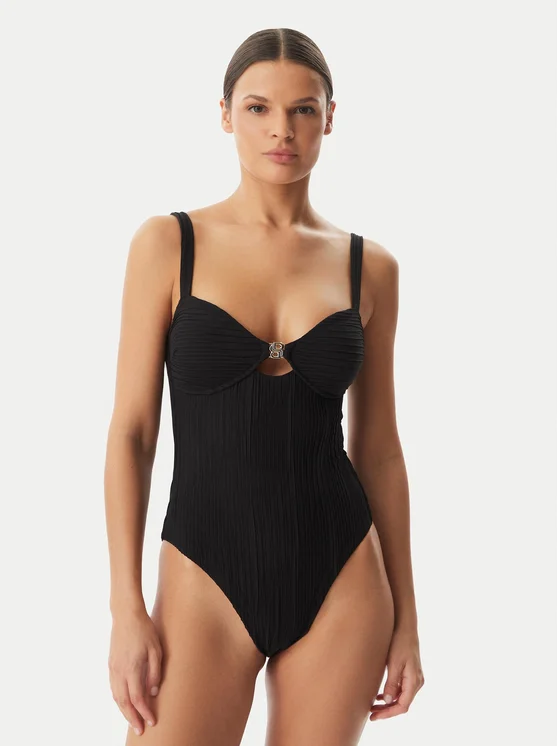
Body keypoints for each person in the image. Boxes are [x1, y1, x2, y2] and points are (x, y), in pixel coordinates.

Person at [104, 26, 424, 746]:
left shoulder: (369, 268)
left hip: (343, 577)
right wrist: (126, 606)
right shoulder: (168, 245)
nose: (282, 129)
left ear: (329, 118)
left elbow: (379, 451)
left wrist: (407, 619)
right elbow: (132, 433)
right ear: (225, 114)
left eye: (303, 109)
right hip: (203, 578)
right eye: (258, 108)